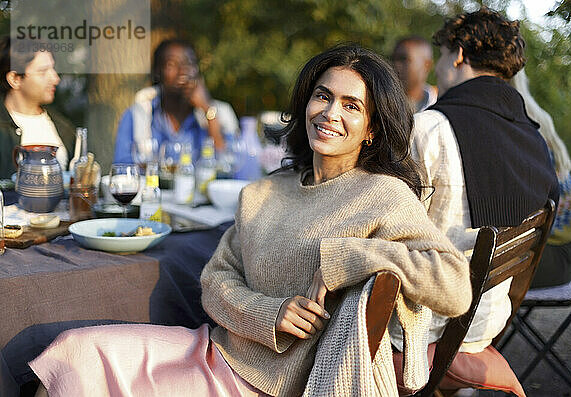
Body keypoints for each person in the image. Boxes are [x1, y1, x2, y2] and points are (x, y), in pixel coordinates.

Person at [28, 44, 471, 397]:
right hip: (211, 350)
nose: (331, 113)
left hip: (263, 385)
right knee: (72, 354)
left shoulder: (380, 194)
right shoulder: (262, 192)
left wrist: (350, 257)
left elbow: (455, 285)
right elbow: (215, 280)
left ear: (371, 128)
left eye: (352, 105)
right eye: (323, 95)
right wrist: (270, 313)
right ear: (306, 103)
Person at [406, 8, 559, 355]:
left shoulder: (429, 129)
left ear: (458, 55)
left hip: (421, 329)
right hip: (484, 324)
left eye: (443, 56)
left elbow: (388, 230)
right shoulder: (533, 137)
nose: (440, 69)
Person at [510, 69, 571, 288]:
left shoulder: (523, 126)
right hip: (567, 250)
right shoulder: (536, 116)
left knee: (470, 272)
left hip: (553, 255)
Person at [112, 38, 238, 164]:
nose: (183, 71)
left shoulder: (221, 113)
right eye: (172, 64)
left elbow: (228, 167)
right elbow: (122, 170)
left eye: (190, 63)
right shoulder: (137, 114)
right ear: (157, 72)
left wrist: (208, 111)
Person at [0, 36, 75, 178]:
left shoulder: (63, 127)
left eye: (53, 69)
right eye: (43, 71)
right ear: (14, 79)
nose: (55, 78)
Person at [391, 36, 437, 113]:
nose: (396, 65)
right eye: (393, 59)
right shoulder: (379, 104)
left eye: (404, 59)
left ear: (427, 65)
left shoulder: (440, 104)